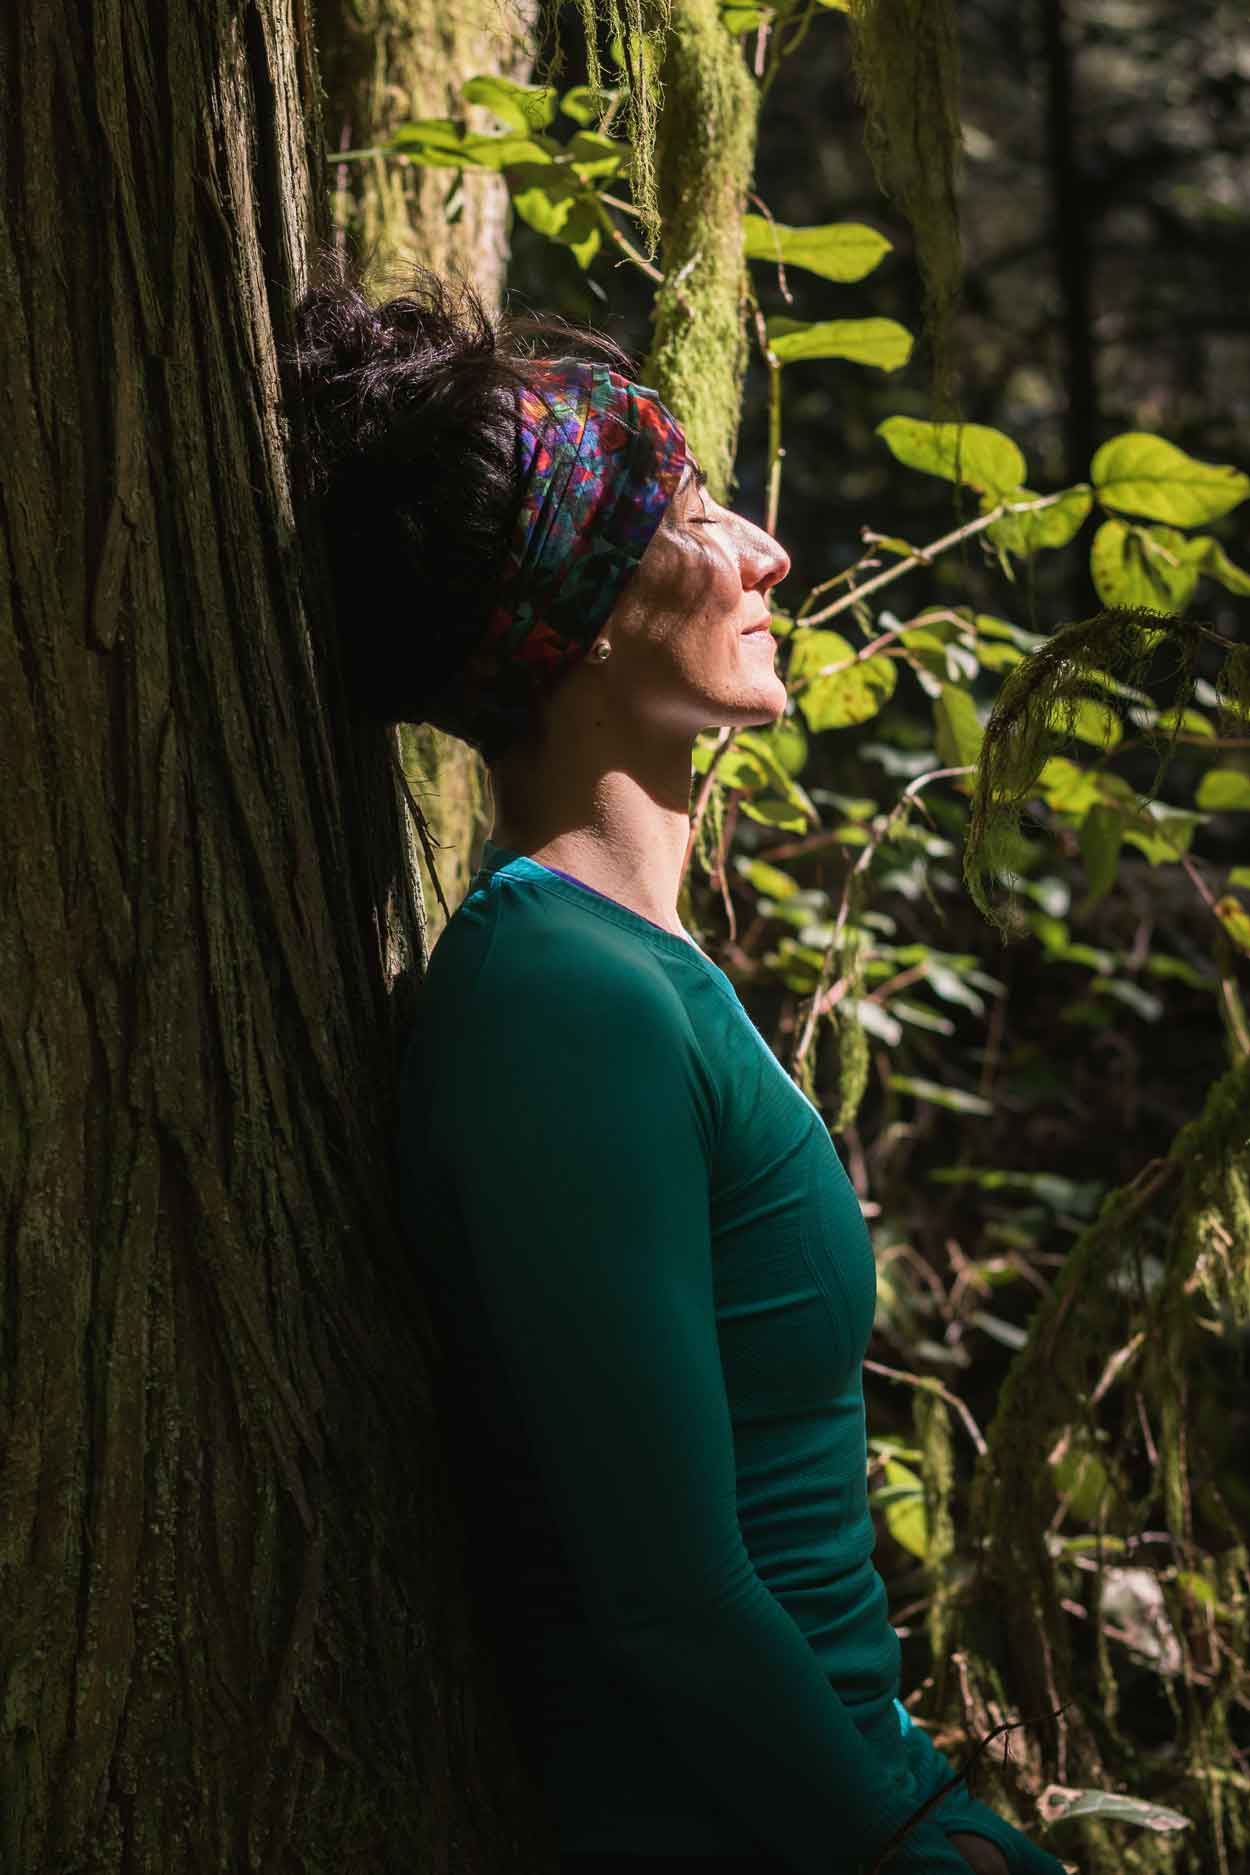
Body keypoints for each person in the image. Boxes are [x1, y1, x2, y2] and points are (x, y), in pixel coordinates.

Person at [289, 255, 1070, 1875]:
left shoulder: (619, 972)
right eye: (695, 519)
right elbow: (666, 1604)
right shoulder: (552, 998)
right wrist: (919, 1843)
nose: (767, 551)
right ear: (574, 618)